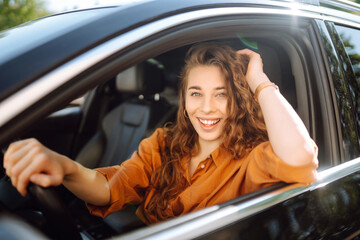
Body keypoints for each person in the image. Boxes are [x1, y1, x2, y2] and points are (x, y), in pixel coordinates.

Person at [3, 42, 318, 225]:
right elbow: (110, 189)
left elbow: (301, 156)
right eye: (196, 94)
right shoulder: (163, 145)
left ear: (236, 100)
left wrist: (258, 80)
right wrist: (65, 167)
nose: (207, 108)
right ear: (183, 100)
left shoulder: (252, 159)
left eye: (221, 94)